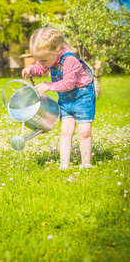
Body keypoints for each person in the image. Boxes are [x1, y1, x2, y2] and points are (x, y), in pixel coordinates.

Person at [22, 27, 96, 170]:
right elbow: (41, 68)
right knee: (65, 131)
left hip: (82, 97)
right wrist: (31, 69)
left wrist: (49, 85)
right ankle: (64, 165)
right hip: (66, 100)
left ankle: (86, 164)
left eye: (43, 59)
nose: (41, 63)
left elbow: (69, 84)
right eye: (38, 59)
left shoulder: (69, 60)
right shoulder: (50, 58)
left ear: (57, 50)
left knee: (84, 131)